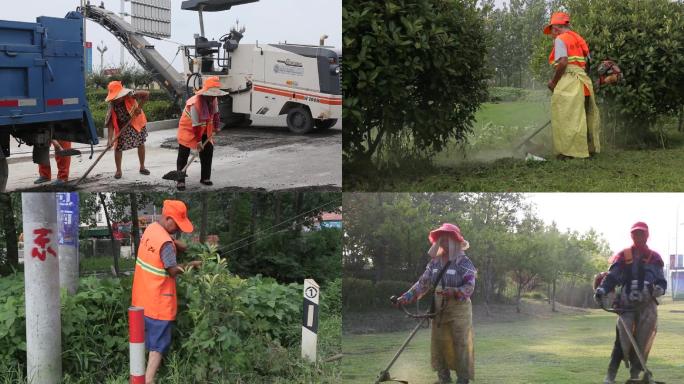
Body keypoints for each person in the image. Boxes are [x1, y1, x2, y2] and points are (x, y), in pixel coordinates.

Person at [131, 200, 202, 384]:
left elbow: (164, 241)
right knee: (158, 345)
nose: (177, 229)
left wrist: (177, 244)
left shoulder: (151, 229)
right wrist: (192, 266)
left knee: (143, 339)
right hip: (158, 303)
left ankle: (139, 374)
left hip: (141, 298)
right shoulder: (167, 245)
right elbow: (172, 270)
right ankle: (148, 379)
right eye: (177, 225)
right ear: (169, 219)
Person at [396, 223, 476, 384]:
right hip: (439, 309)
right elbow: (422, 284)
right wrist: (405, 297)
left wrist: (454, 291)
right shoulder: (434, 263)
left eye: (447, 240)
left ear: (455, 241)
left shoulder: (463, 262)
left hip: (459, 310)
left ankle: (463, 379)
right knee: (439, 344)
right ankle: (443, 379)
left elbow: (470, 286)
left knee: (460, 344)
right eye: (441, 240)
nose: (444, 243)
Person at [594, 222, 666, 384]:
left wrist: (660, 288)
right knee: (621, 340)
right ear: (631, 235)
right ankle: (610, 376)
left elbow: (661, 281)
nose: (638, 237)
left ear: (647, 235)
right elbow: (612, 277)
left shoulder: (654, 258)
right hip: (626, 305)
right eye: (635, 234)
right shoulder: (623, 255)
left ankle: (635, 376)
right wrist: (602, 290)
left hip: (647, 306)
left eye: (641, 234)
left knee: (643, 341)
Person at [543, 12, 601, 159]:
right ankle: (588, 149)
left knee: (566, 117)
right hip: (583, 84)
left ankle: (570, 152)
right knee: (584, 117)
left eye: (551, 31)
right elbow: (588, 63)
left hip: (569, 83)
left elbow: (563, 62)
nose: (552, 35)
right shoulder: (579, 39)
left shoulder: (560, 39)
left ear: (556, 27)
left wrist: (554, 82)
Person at [175, 76, 227, 190]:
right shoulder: (195, 103)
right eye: (211, 94)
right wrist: (198, 141)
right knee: (183, 153)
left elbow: (216, 115)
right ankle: (180, 180)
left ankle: (205, 178)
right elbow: (195, 125)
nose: (213, 97)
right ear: (205, 93)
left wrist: (216, 127)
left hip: (204, 128)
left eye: (215, 95)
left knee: (208, 149)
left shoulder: (214, 100)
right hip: (188, 128)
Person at [104, 80, 151, 179]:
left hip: (136, 121)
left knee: (140, 143)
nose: (115, 99)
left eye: (117, 96)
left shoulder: (131, 94)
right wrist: (109, 139)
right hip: (122, 126)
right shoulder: (112, 105)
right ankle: (118, 170)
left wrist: (139, 107)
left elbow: (146, 94)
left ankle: (142, 167)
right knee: (118, 148)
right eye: (114, 97)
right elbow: (111, 123)